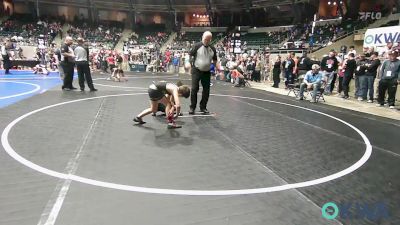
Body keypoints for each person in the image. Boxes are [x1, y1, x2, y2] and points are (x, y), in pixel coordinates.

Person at [189, 31, 217, 115]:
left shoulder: (212, 48)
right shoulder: (197, 46)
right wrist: (189, 64)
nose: (207, 41)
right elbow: (190, 55)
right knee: (194, 89)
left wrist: (214, 68)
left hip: (207, 72)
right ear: (202, 37)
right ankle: (192, 107)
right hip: (196, 70)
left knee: (206, 90)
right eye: (205, 39)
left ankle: (203, 107)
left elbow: (215, 59)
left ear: (211, 39)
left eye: (208, 40)